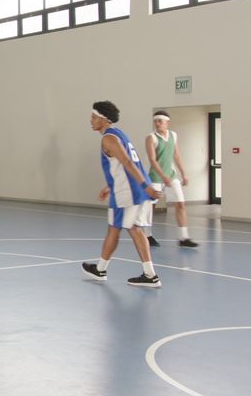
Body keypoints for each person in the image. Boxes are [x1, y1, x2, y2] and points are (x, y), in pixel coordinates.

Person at [81, 101, 162, 287]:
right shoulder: (120, 134)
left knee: (116, 228)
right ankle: (149, 274)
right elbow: (122, 165)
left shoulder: (108, 139)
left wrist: (145, 186)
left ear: (104, 119)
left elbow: (127, 162)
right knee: (133, 228)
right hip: (133, 189)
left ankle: (102, 270)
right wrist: (109, 186)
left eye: (94, 117)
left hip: (128, 192)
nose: (91, 120)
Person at [140, 110, 199, 248]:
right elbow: (152, 159)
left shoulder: (173, 135)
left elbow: (176, 155)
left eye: (160, 121)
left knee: (181, 203)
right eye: (155, 121)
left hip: (171, 176)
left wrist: (183, 174)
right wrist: (162, 176)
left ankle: (184, 237)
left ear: (167, 122)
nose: (157, 123)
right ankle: (147, 235)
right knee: (150, 206)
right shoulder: (151, 138)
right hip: (155, 177)